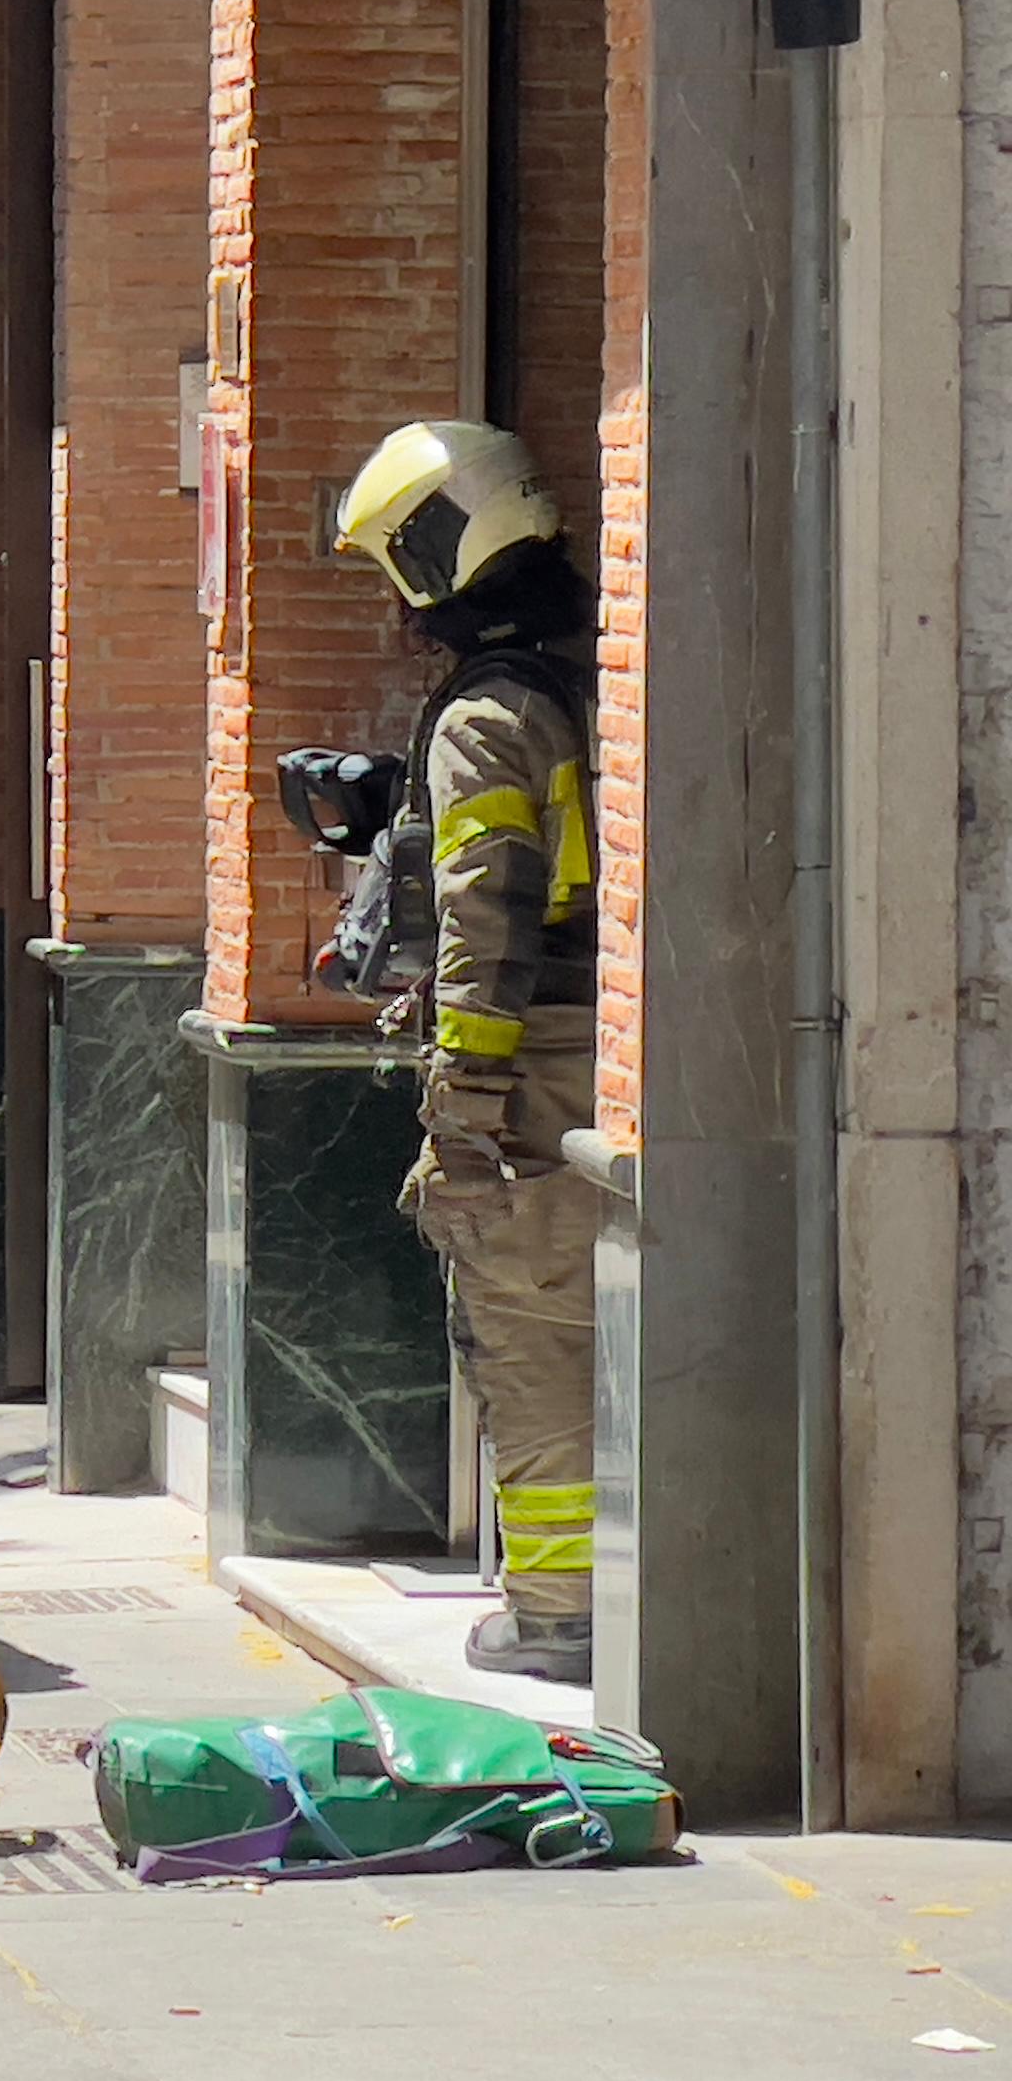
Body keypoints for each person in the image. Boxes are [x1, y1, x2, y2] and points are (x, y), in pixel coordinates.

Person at [335, 419, 600, 1681]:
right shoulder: (590, 675)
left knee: (523, 1325)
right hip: (601, 1043)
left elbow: (484, 920)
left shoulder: (485, 718)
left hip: (528, 1066)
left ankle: (556, 1611)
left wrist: (463, 1105)